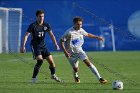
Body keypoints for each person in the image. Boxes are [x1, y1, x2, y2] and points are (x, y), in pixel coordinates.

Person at [60, 16, 107, 84]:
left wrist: (97, 37)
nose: (79, 26)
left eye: (81, 24)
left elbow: (87, 34)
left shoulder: (81, 30)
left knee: (88, 63)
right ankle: (76, 76)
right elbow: (61, 41)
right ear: (74, 24)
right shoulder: (69, 32)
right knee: (76, 69)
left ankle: (100, 78)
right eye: (78, 24)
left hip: (80, 51)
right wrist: (65, 52)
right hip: (71, 54)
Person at [21, 10, 61, 83]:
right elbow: (26, 35)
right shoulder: (33, 25)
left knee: (52, 62)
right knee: (40, 60)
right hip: (35, 45)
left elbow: (51, 35)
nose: (41, 18)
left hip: (43, 46)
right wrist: (23, 46)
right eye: (40, 16)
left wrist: (56, 44)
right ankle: (33, 79)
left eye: (43, 16)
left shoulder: (46, 25)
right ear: (36, 17)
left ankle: (53, 75)